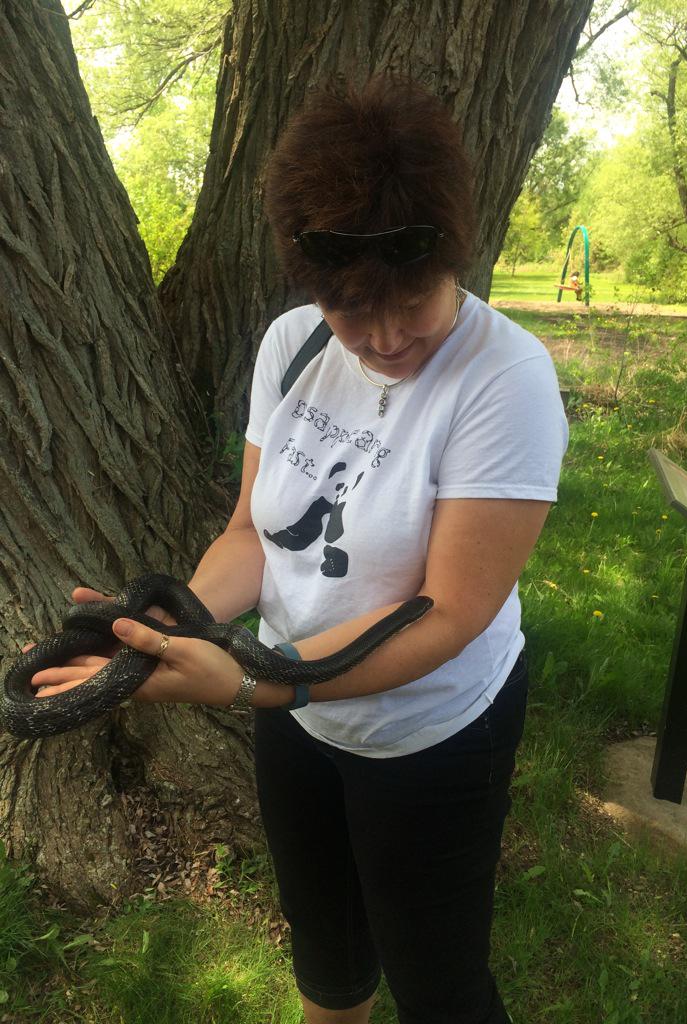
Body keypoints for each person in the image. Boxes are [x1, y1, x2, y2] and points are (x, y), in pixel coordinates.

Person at [27, 74, 568, 1024]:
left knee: (439, 984)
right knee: (326, 959)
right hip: (301, 715)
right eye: (353, 310)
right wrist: (163, 630)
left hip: (431, 732)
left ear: (453, 257)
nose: (387, 337)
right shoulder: (292, 345)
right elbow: (252, 534)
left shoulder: (505, 378)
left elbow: (450, 612)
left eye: (414, 300)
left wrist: (247, 684)